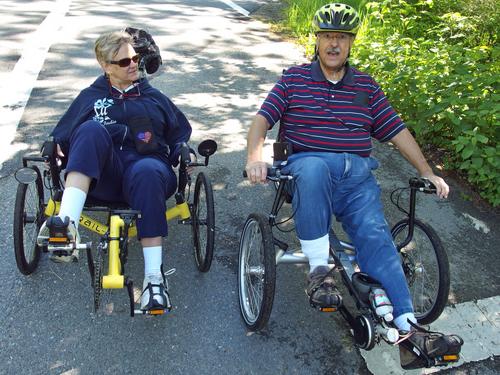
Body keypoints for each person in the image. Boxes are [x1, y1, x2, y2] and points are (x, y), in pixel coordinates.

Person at [245, 3, 462, 369]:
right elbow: (262, 121)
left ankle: (410, 332)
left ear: (350, 43)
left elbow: (396, 130)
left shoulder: (366, 87)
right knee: (313, 167)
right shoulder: (294, 79)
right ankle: (318, 272)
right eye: (328, 36)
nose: (334, 44)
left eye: (341, 38)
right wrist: (254, 156)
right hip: (307, 167)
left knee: (376, 236)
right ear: (317, 41)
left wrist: (428, 170)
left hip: (357, 175)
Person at [37, 29, 192, 312]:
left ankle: (154, 281)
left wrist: (182, 148)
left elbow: (180, 131)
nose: (133, 64)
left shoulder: (153, 96)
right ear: (105, 66)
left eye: (134, 58)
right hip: (103, 175)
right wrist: (56, 146)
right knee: (91, 129)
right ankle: (67, 225)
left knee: (146, 170)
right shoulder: (90, 97)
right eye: (123, 62)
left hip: (147, 171)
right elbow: (62, 133)